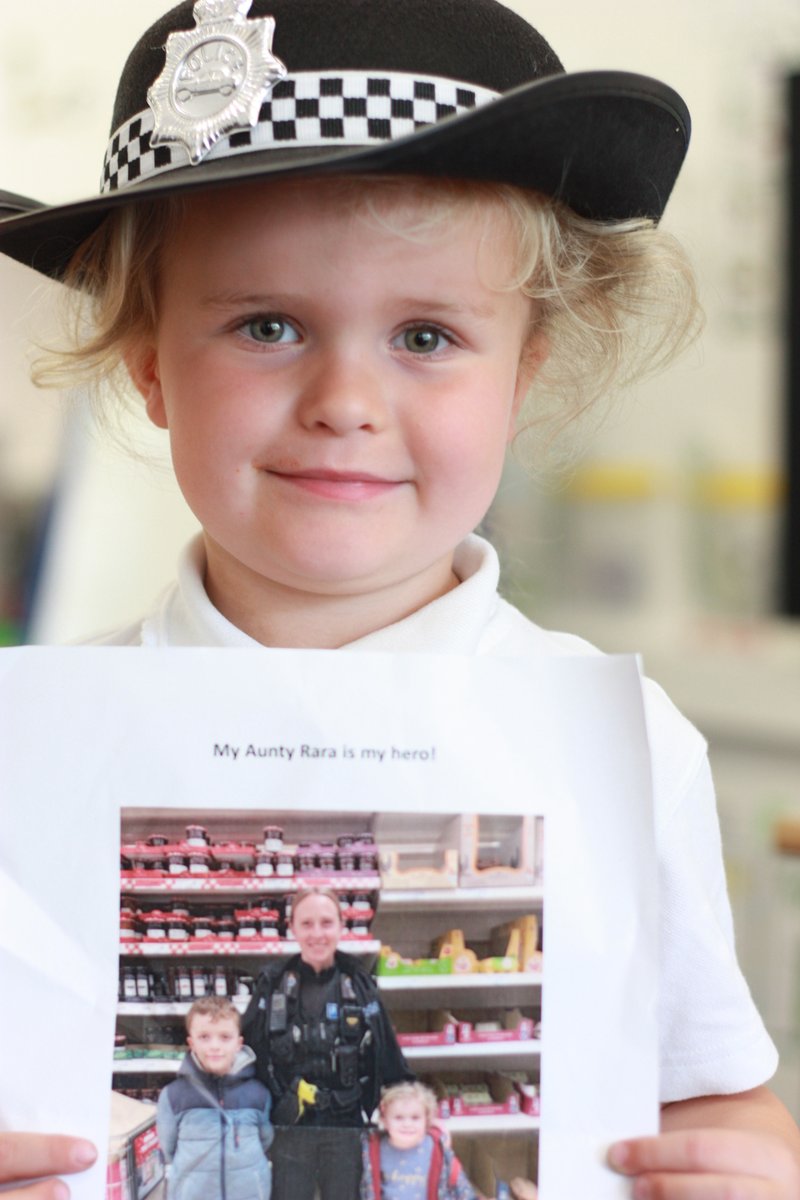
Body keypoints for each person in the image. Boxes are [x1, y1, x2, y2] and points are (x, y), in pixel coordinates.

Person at [0, 0, 798, 1196]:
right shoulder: (26, 753)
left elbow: (717, 1096)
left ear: (521, 376)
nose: (345, 400)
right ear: (151, 364)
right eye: (267, 325)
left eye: (425, 336)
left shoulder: (624, 748)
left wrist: (752, 1170)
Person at [242, 887, 412, 1200]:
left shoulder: (360, 984)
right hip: (289, 1126)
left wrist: (417, 1111)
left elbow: (388, 1055)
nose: (317, 933)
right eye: (306, 924)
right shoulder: (273, 983)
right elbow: (244, 1055)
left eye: (326, 923)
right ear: (292, 927)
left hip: (345, 1126)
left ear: (340, 926)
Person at [156, 996, 273, 1200]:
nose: (215, 1046)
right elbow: (169, 1148)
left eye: (225, 1037)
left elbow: (265, 1139)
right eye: (204, 1037)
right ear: (191, 1043)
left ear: (239, 1043)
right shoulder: (173, 1096)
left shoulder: (258, 1094)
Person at [360, 1081, 478, 1200]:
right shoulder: (372, 1150)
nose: (407, 1124)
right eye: (398, 1118)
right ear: (384, 1120)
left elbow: (459, 1183)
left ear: (427, 1120)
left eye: (415, 1118)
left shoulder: (437, 1148)